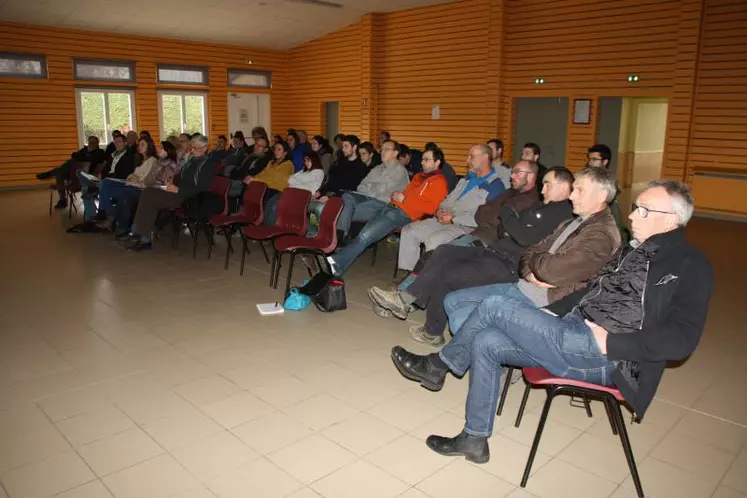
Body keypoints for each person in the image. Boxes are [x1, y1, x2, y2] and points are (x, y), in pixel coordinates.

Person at [389, 180, 713, 464]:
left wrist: (613, 343)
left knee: (496, 305)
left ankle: (438, 366)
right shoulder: (630, 251)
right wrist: (552, 313)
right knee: (486, 341)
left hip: (607, 357)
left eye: (642, 210)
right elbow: (590, 291)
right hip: (573, 331)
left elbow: (681, 339)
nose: (631, 215)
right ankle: (474, 439)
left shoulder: (690, 263)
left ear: (670, 220)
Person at [370, 167, 620, 346]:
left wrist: (518, 232)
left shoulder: (568, 216)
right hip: (501, 252)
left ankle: (431, 329)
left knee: (449, 275)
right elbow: (520, 237)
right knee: (444, 252)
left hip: (511, 266)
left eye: (578, 189)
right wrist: (524, 242)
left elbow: (524, 239)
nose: (544, 189)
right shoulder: (555, 212)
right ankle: (407, 297)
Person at [326, 147, 449, 276]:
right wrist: (398, 195)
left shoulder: (439, 182)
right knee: (362, 235)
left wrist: (405, 199)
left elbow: (431, 208)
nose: (422, 162)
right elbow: (407, 194)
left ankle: (333, 262)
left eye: (427, 160)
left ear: (437, 162)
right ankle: (336, 264)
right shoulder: (419, 177)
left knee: (364, 237)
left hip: (403, 215)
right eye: (423, 159)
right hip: (391, 207)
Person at [397, 144, 505, 272]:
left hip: (467, 226)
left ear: (486, 157)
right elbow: (448, 199)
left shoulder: (495, 186)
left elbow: (485, 218)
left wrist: (454, 218)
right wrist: (440, 210)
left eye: (472, 156)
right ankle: (411, 276)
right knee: (409, 231)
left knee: (434, 240)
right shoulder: (467, 179)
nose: (467, 160)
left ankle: (427, 281)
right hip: (445, 218)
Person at [122, 134, 218, 252]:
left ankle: (140, 235)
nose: (192, 150)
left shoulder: (208, 164)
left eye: (196, 148)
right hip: (178, 192)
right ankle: (142, 236)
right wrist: (172, 179)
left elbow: (202, 188)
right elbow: (181, 176)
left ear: (204, 148)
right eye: (191, 147)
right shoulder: (191, 160)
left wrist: (178, 189)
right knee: (148, 193)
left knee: (149, 196)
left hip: (189, 197)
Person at [336, 139, 410, 238]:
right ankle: (341, 237)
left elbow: (384, 193)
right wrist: (371, 190)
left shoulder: (400, 171)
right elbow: (361, 186)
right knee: (347, 196)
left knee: (342, 211)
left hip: (383, 204)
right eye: (382, 149)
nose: (382, 152)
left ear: (395, 153)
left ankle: (339, 237)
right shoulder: (377, 168)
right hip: (367, 197)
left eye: (386, 149)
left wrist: (371, 188)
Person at [92, 137, 160, 233]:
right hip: (130, 184)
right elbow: (132, 175)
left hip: (139, 189)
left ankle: (111, 218)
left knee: (118, 193)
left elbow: (145, 180)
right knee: (105, 183)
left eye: (142, 144)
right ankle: (106, 213)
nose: (139, 147)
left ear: (149, 146)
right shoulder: (141, 160)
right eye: (139, 145)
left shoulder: (152, 161)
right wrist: (133, 177)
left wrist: (134, 177)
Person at [36, 136, 108, 209]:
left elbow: (92, 158)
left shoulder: (100, 152)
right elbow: (74, 155)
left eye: (93, 142)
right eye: (90, 142)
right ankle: (62, 200)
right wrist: (84, 156)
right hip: (73, 174)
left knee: (71, 163)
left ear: (97, 144)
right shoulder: (84, 150)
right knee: (62, 172)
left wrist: (82, 157)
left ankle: (49, 174)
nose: (91, 144)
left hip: (86, 175)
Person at [309, 135, 369, 220]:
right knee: (304, 205)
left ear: (354, 147)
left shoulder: (361, 167)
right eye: (342, 146)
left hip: (343, 199)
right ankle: (314, 231)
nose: (343, 149)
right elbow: (331, 181)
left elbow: (352, 189)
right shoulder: (340, 163)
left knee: (318, 208)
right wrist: (320, 192)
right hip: (330, 195)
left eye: (346, 146)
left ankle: (327, 232)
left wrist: (329, 198)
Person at [587, 143, 630, 245]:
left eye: (594, 159)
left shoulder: (609, 182)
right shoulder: (588, 177)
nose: (590, 163)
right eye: (590, 159)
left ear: (605, 162)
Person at [245, 140, 294, 221]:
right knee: (248, 189)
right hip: (266, 187)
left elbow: (275, 179)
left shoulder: (288, 164)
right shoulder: (271, 163)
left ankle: (260, 221)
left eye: (279, 149)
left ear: (285, 153)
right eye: (275, 149)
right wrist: (252, 178)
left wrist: (255, 180)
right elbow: (262, 174)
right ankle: (252, 219)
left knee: (255, 191)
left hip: (277, 190)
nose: (276, 151)